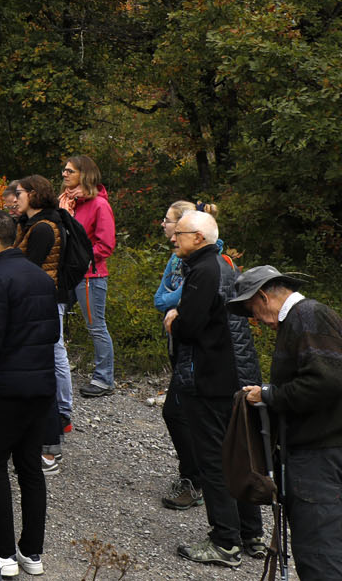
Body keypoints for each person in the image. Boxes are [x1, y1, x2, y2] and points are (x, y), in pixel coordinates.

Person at [232, 265, 342, 581]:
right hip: (319, 451)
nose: (256, 320)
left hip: (320, 456)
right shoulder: (304, 318)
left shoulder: (306, 317)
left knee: (320, 552)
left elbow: (327, 382)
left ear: (263, 296)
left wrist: (269, 395)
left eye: (252, 309)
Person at [0, 210, 58, 578]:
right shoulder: (41, 277)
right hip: (41, 386)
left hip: (7, 386)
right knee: (30, 469)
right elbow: (53, 333)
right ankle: (32, 553)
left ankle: (2, 553)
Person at [164, 210, 246, 566]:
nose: (173, 238)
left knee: (213, 460)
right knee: (235, 456)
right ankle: (251, 535)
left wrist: (174, 320)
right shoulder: (224, 265)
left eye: (179, 233)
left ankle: (225, 541)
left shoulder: (203, 269)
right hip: (226, 372)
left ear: (199, 237)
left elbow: (192, 325)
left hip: (206, 376)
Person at [12, 174, 73, 474]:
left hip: (44, 302)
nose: (15, 197)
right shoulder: (30, 224)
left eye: (20, 192)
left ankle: (56, 428)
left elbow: (27, 268)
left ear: (34, 194)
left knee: (49, 360)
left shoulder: (44, 228)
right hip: (40, 301)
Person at [59, 154, 116, 397]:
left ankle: (104, 380)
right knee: (53, 317)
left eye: (70, 171)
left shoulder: (99, 205)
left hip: (90, 276)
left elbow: (106, 244)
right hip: (66, 273)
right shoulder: (65, 202)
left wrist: (79, 259)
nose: (64, 174)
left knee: (96, 327)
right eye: (64, 170)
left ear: (85, 175)